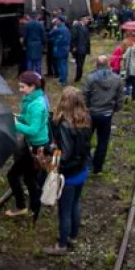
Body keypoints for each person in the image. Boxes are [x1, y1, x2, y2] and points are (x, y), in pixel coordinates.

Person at [43, 87, 92, 256]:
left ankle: (62, 245)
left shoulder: (65, 125)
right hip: (82, 169)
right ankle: (73, 236)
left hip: (68, 175)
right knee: (75, 204)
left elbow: (65, 155)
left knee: (64, 211)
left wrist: (51, 149)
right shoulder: (85, 118)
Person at [5, 71, 50, 219]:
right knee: (29, 178)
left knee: (14, 176)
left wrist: (16, 125)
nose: (20, 90)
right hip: (33, 145)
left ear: (32, 86)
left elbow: (33, 129)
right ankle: (33, 207)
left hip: (36, 147)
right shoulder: (35, 98)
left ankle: (23, 206)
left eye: (23, 87)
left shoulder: (36, 105)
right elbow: (29, 119)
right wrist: (18, 117)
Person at [82, 56, 124, 175]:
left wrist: (86, 109)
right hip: (106, 114)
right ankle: (98, 167)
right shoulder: (117, 79)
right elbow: (120, 98)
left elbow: (85, 95)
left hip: (91, 113)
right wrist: (114, 109)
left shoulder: (90, 78)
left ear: (97, 64)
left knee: (86, 139)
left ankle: (87, 163)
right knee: (103, 141)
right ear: (108, 64)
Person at [48, 17, 72, 85]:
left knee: (60, 65)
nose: (55, 22)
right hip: (66, 49)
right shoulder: (66, 29)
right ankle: (64, 78)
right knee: (64, 64)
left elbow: (50, 34)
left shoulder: (58, 29)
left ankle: (63, 80)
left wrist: (54, 28)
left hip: (59, 49)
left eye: (57, 21)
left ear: (60, 21)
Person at [71, 17, 91, 82]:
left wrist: (88, 49)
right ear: (82, 19)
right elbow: (73, 36)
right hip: (78, 48)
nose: (88, 21)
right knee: (79, 63)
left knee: (81, 63)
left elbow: (87, 39)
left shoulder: (85, 27)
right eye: (87, 19)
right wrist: (73, 46)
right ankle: (78, 77)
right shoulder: (76, 26)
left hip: (84, 49)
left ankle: (79, 76)